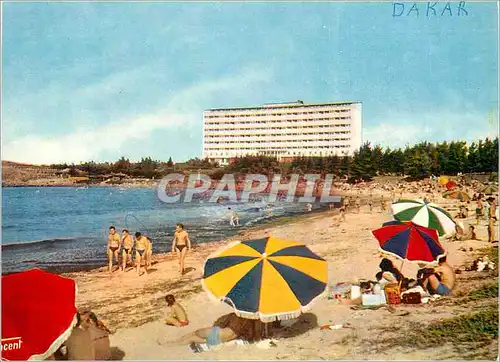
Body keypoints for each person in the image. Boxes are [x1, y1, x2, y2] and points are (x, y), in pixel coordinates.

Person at [174, 313, 261, 347]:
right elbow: (253, 334)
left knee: (194, 334)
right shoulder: (250, 320)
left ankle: (172, 343)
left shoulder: (235, 315)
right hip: (221, 338)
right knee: (192, 338)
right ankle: (173, 343)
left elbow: (223, 324)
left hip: (218, 334)